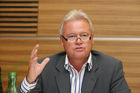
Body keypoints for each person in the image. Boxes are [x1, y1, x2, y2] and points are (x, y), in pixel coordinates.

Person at [18, 9, 131, 93]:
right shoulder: (45, 67)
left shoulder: (111, 67)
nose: (79, 41)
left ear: (92, 39)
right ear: (62, 41)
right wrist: (29, 81)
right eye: (72, 36)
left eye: (84, 35)